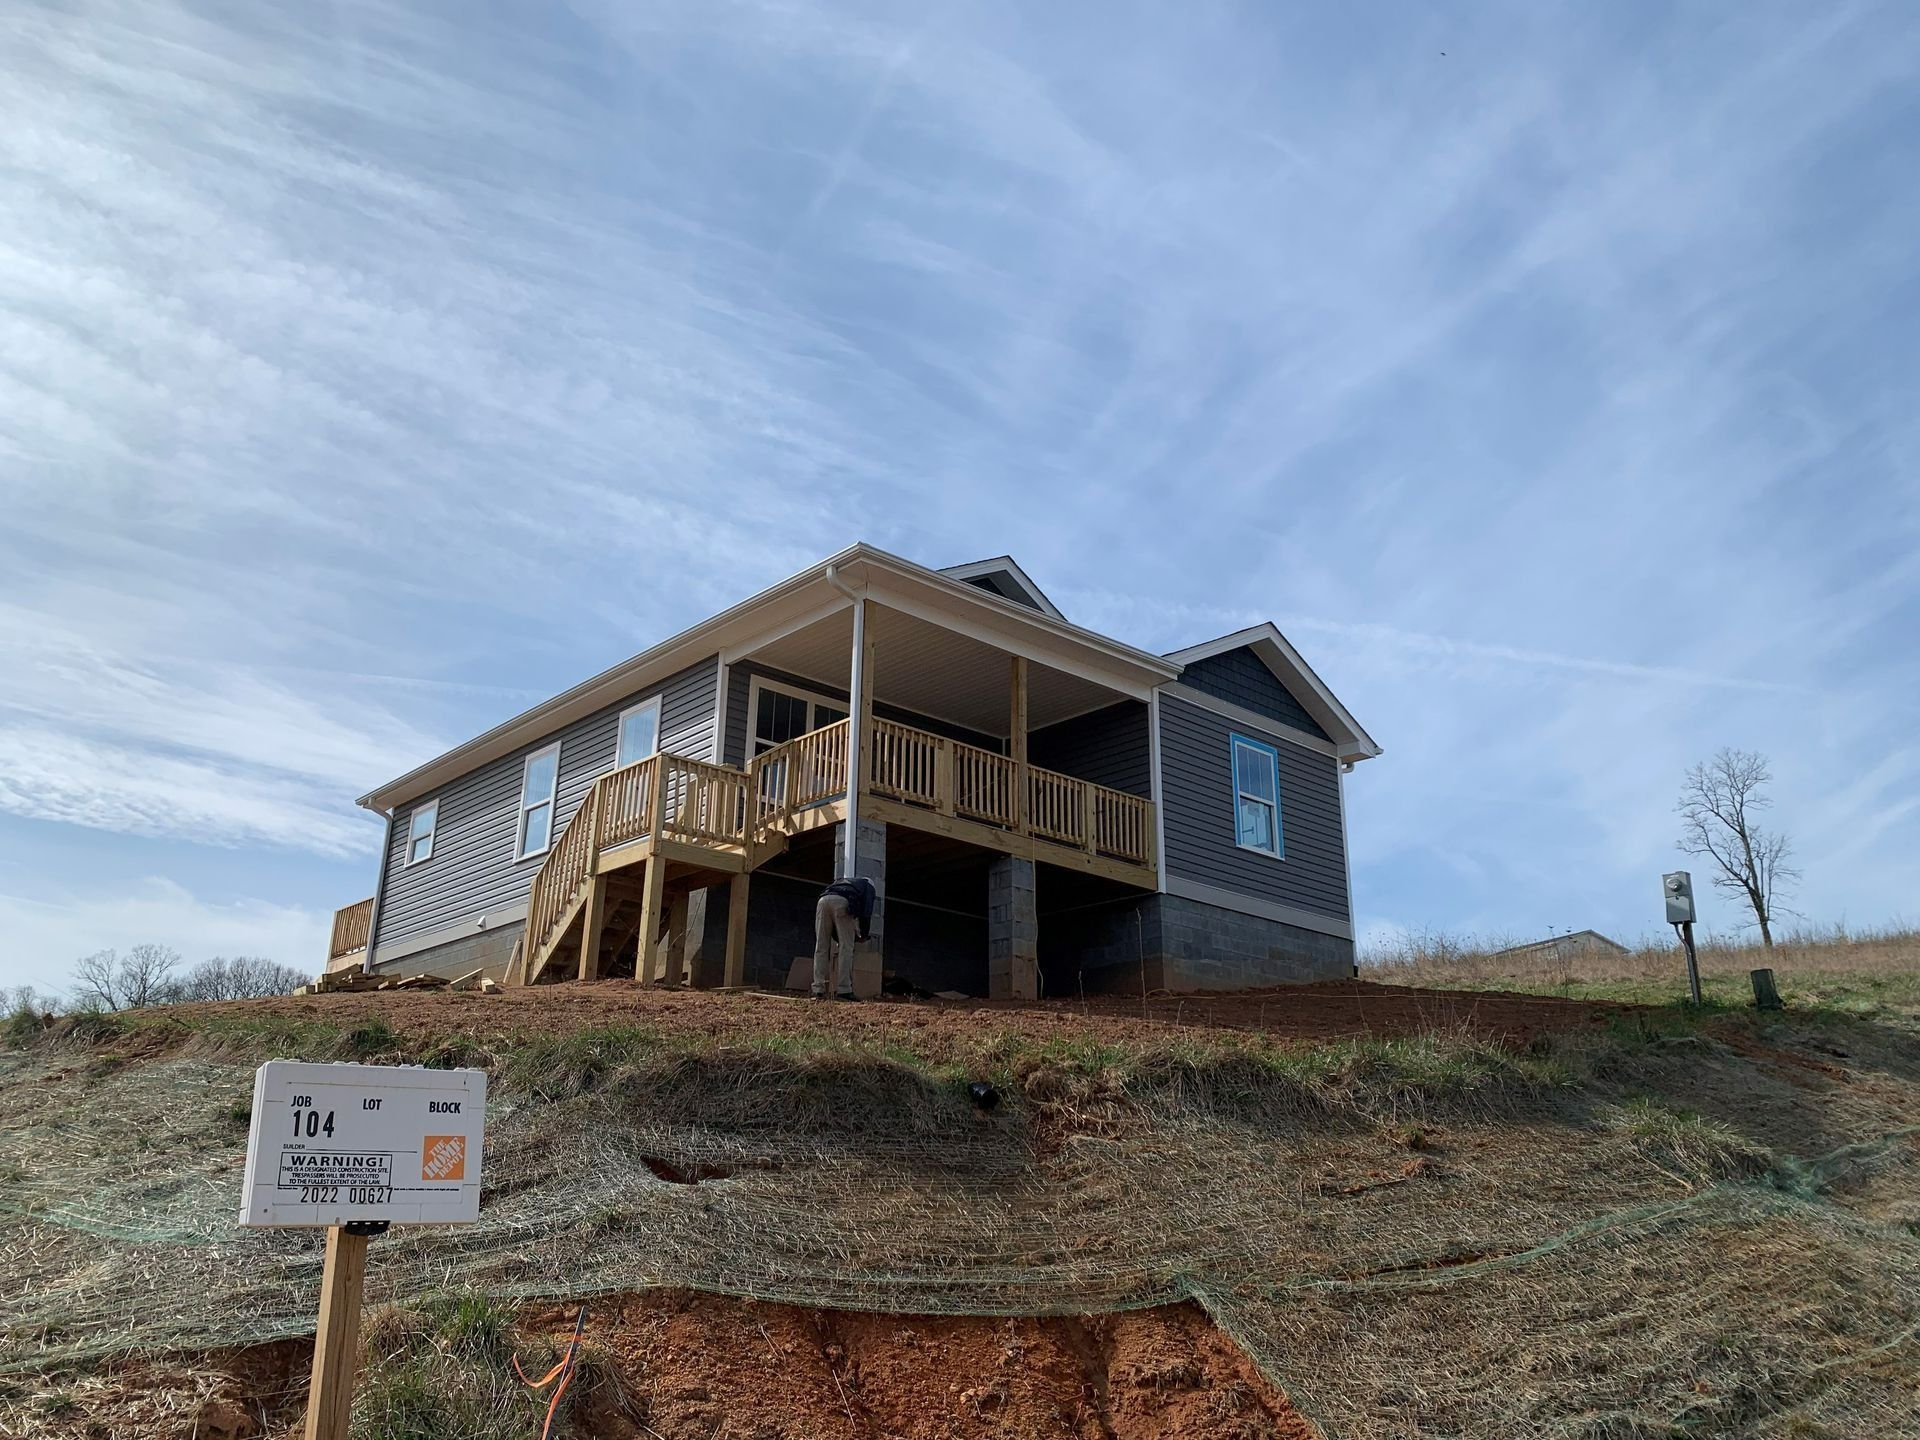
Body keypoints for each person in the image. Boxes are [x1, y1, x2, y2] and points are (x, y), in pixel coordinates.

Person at [812, 875, 875, 1000]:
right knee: (846, 948)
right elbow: (866, 912)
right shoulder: (868, 886)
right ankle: (844, 990)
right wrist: (864, 934)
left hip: (822, 901)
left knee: (821, 947)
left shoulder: (844, 882)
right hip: (842, 902)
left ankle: (818, 989)